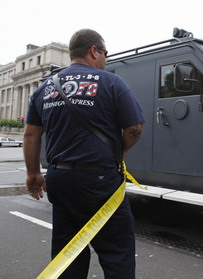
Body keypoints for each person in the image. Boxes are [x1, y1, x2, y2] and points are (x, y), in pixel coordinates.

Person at [24, 29, 145, 278]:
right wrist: (119, 154)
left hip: (60, 179)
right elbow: (134, 127)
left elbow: (30, 135)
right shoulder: (111, 82)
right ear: (93, 51)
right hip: (99, 181)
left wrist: (34, 173)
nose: (105, 59)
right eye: (105, 53)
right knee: (116, 251)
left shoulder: (44, 88)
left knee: (68, 252)